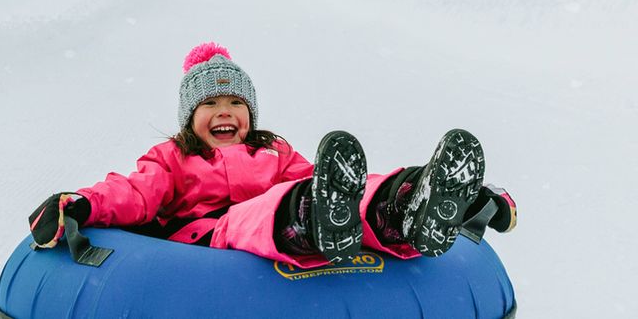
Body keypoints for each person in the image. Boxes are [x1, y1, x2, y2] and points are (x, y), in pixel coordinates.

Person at [26, 44, 515, 269]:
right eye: (211, 104)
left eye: (236, 103)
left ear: (251, 112)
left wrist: (357, 193)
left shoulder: (273, 150)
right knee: (260, 213)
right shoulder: (172, 157)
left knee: (349, 188)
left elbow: (320, 179)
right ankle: (311, 221)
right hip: (214, 234)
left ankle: (414, 204)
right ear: (188, 117)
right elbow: (134, 192)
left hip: (294, 200)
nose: (225, 113)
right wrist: (83, 203)